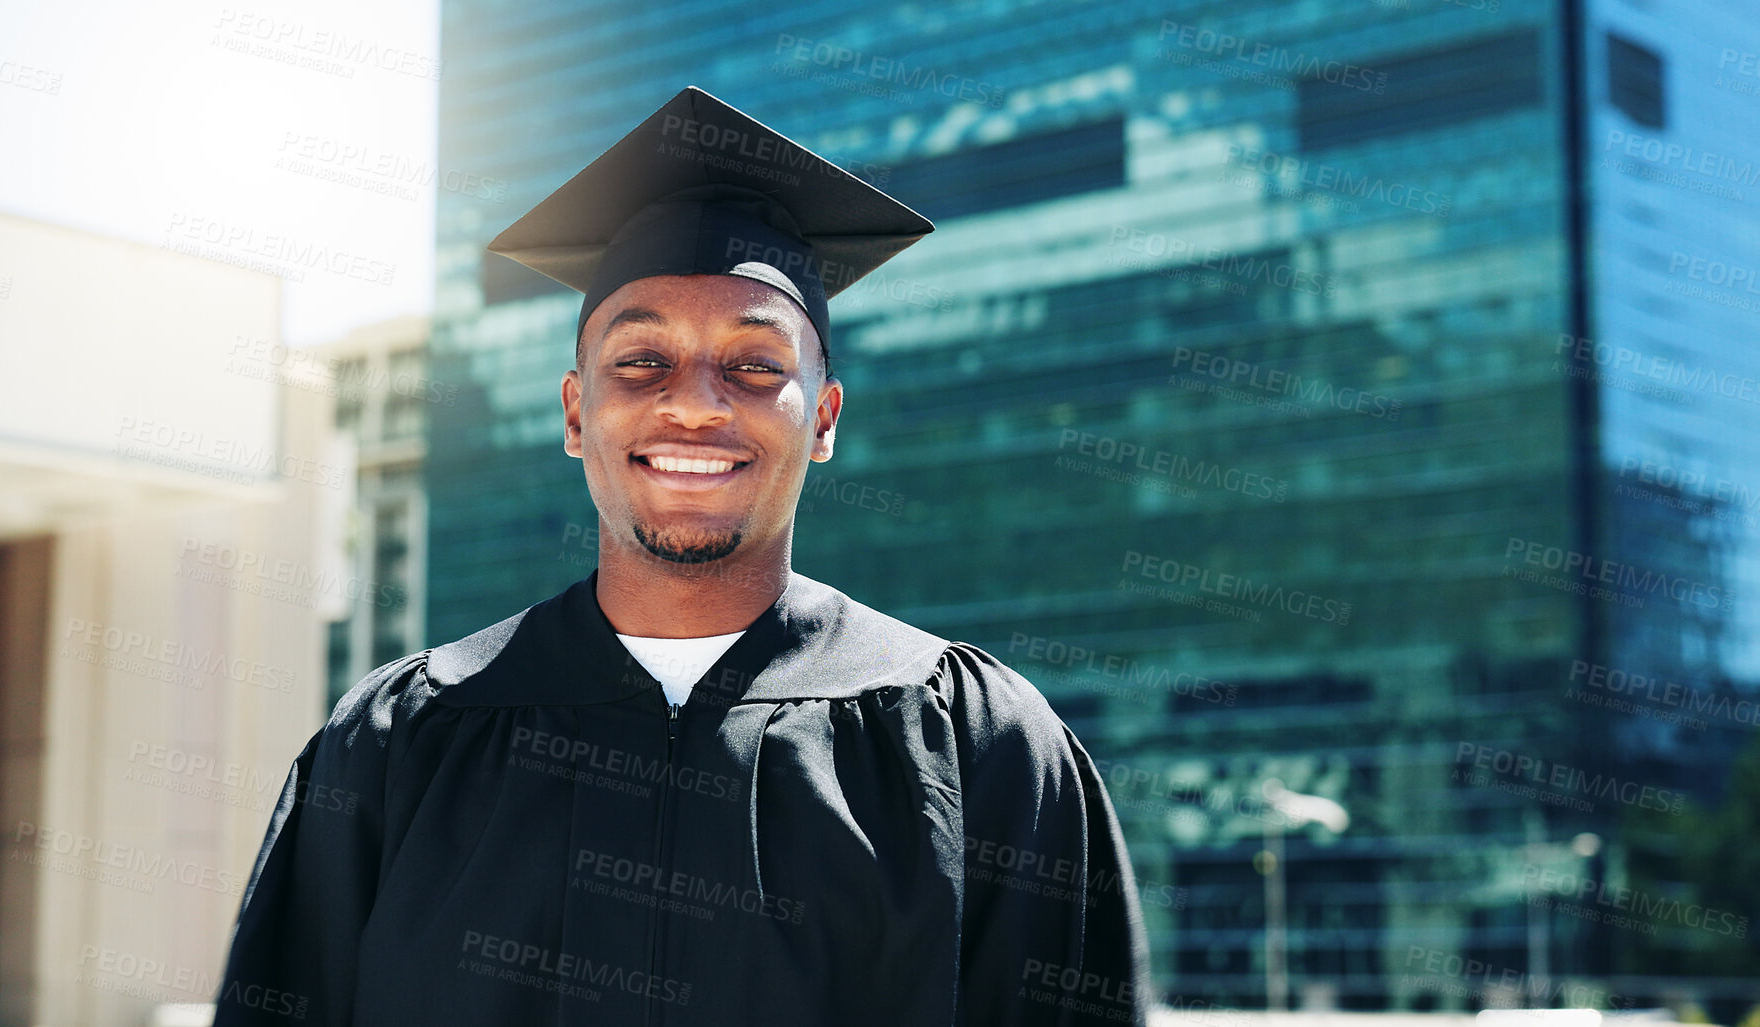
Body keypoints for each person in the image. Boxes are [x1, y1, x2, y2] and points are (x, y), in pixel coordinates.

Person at [213, 85, 1151, 1027]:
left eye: (753, 364)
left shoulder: (976, 745)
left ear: (821, 418)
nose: (695, 404)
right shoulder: (396, 743)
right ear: (577, 413)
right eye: (640, 362)